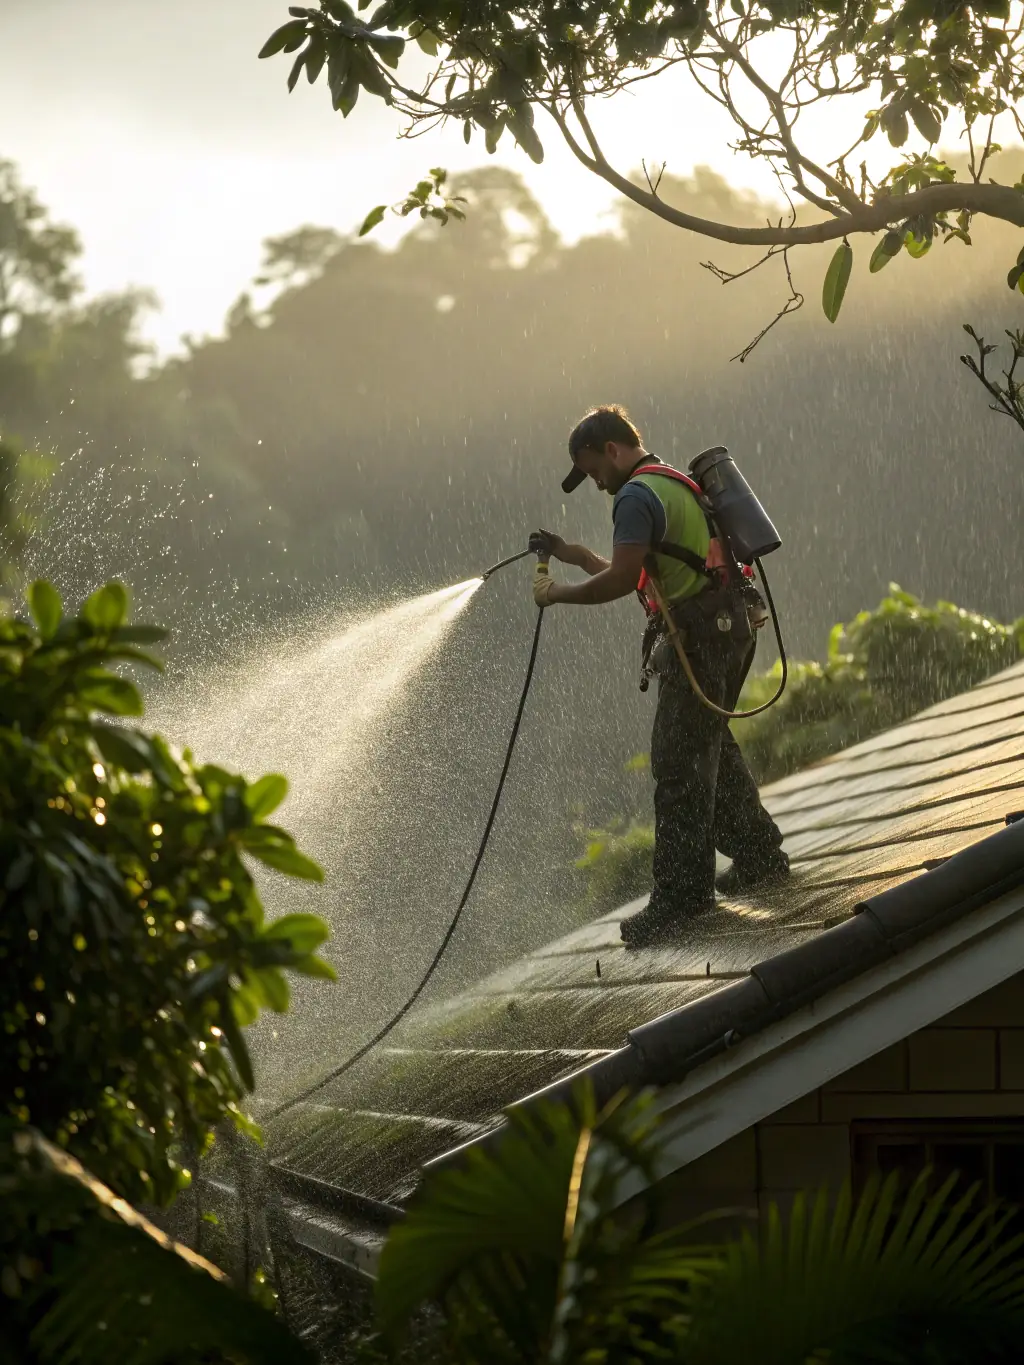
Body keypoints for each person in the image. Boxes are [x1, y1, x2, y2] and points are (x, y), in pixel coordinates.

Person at [531, 404, 788, 949]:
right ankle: (762, 858)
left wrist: (557, 594)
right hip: (731, 626)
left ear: (614, 450)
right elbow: (654, 570)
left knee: (677, 761)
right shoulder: (669, 483)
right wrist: (574, 555)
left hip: (701, 637)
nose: (598, 483)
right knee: (707, 743)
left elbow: (624, 581)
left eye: (595, 469)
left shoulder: (633, 496)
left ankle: (683, 899)